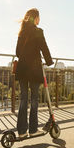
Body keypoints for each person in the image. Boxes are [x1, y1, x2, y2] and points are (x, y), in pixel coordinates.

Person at [15, 8, 54, 139]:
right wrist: (49, 61)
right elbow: (44, 47)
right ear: (35, 18)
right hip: (33, 70)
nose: (39, 20)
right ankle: (32, 129)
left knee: (23, 99)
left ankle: (21, 131)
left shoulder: (22, 31)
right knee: (34, 99)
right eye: (39, 17)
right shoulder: (38, 31)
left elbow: (17, 52)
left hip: (22, 69)